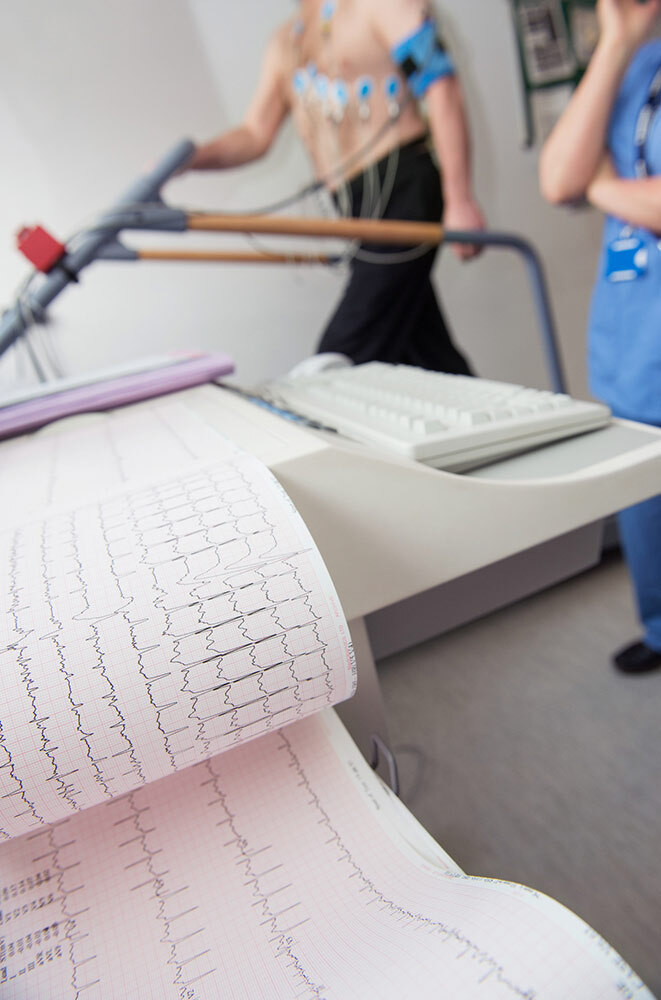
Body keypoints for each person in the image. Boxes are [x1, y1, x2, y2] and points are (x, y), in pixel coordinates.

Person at [181, 0, 485, 372]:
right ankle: (504, 421)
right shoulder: (285, 42)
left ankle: (315, 408)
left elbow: (441, 87)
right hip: (353, 204)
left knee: (341, 354)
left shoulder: (381, 6)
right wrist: (192, 157)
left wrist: (459, 198)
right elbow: (254, 134)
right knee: (426, 352)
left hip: (404, 186)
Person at [539, 0, 661, 674]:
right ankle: (660, 625)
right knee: (646, 505)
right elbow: (559, 178)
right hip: (633, 331)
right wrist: (616, 41)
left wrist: (603, 185)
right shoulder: (633, 59)